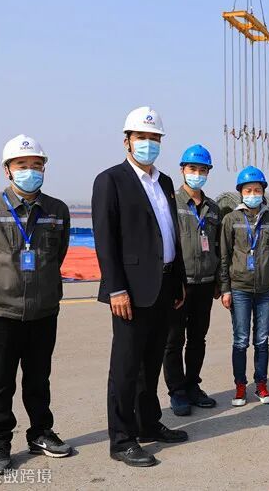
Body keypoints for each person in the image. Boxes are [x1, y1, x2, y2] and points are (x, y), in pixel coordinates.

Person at [0, 135, 72, 473]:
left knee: (39, 378)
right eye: (22, 165)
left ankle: (40, 433)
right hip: (0, 311)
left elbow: (59, 254)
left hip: (44, 309)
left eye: (37, 165)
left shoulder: (57, 211)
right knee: (1, 381)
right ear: (7, 170)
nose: (30, 171)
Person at [92, 106, 187, 468]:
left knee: (151, 361)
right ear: (127, 141)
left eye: (154, 138)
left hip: (164, 284)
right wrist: (115, 288)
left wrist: (178, 280)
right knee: (126, 366)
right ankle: (121, 439)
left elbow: (171, 235)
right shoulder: (110, 180)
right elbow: (105, 240)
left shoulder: (165, 182)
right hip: (130, 290)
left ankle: (149, 423)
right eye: (142, 137)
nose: (148, 143)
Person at [163, 144, 221, 416]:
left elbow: (218, 246)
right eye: (192, 168)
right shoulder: (170, 203)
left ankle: (192, 385)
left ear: (208, 172)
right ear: (182, 170)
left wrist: (219, 281)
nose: (197, 174)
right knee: (174, 340)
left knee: (198, 338)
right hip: (179, 283)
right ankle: (177, 391)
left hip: (205, 283)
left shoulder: (214, 209)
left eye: (202, 169)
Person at [220, 166, 269, 407]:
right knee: (241, 339)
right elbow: (225, 256)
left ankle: (261, 385)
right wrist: (225, 289)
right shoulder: (231, 220)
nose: (252, 194)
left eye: (257, 190)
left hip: (265, 290)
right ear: (241, 193)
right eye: (248, 190)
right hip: (240, 289)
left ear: (263, 192)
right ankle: (240, 386)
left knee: (262, 340)